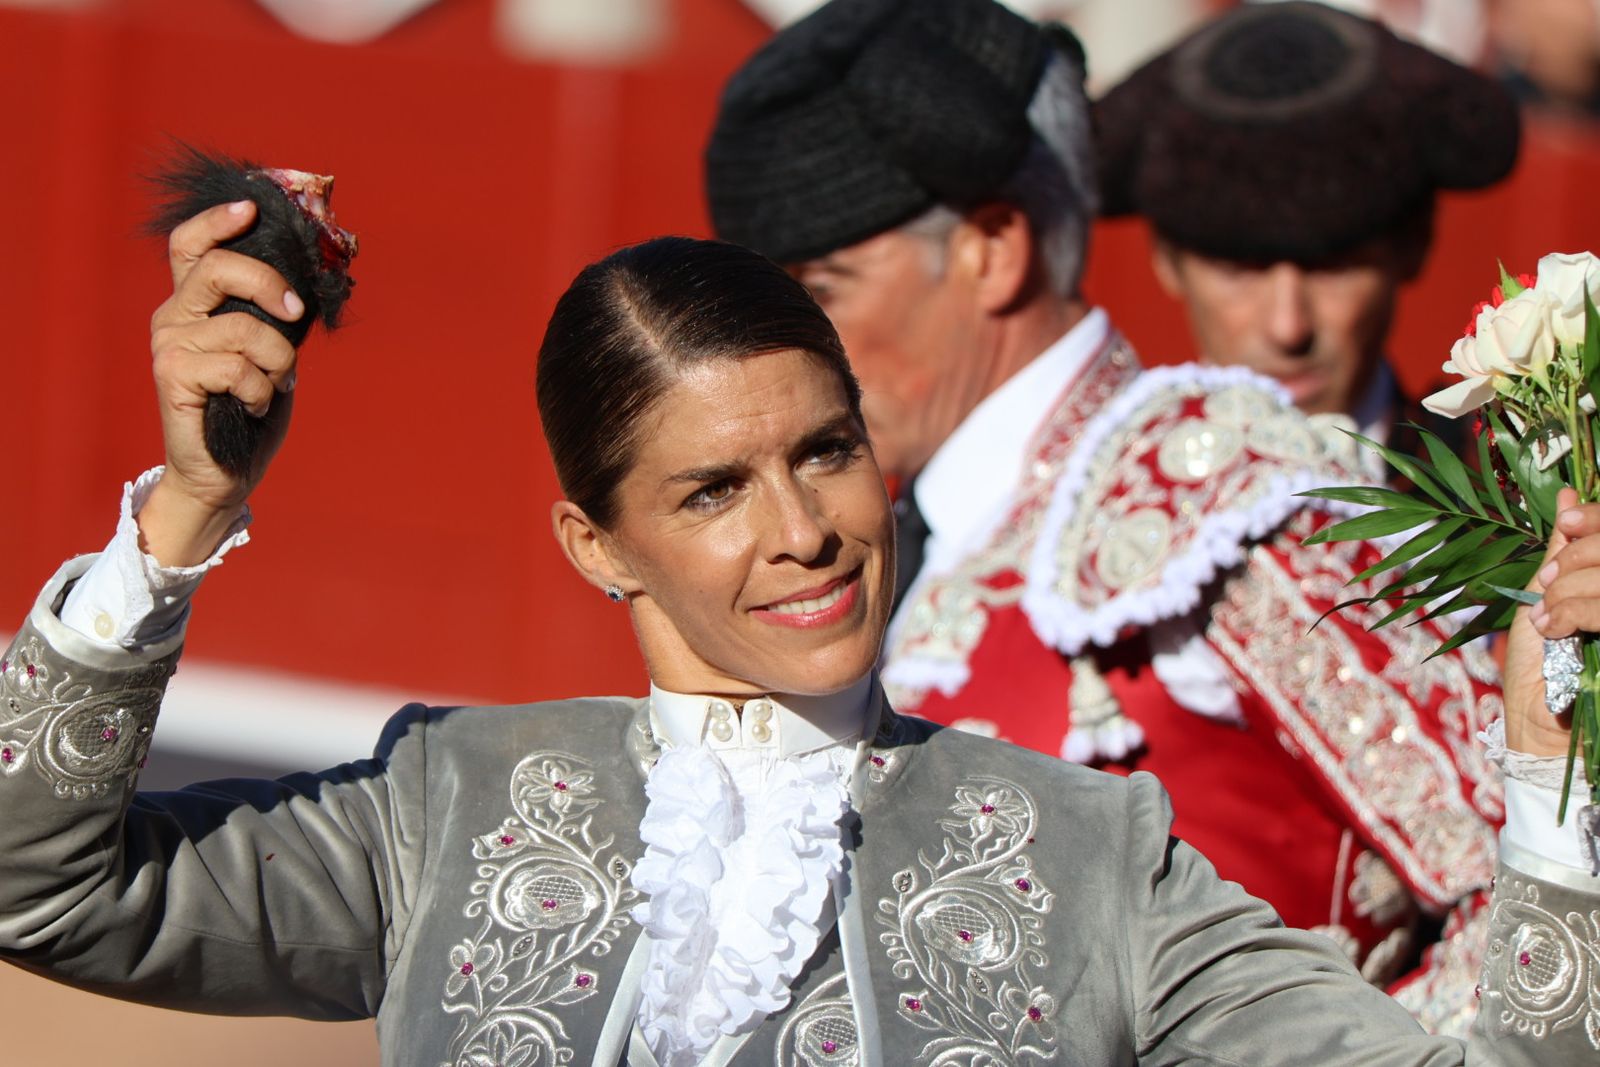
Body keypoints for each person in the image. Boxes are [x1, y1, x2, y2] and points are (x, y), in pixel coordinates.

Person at [0, 203, 1595, 1066]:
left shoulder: (1087, 851)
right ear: (597, 545)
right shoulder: (446, 806)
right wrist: (185, 513)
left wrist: (1549, 756)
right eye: (713, 489)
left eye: (825, 450)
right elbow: (38, 883)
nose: (805, 529)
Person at [702, 0, 1506, 1035]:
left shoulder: (1213, 488)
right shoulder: (892, 536)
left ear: (992, 248)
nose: (780, 359)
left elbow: (1548, 878)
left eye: (822, 289)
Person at [1094, 1, 1520, 441]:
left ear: (1414, 242)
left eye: (1334, 265)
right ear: (1166, 259)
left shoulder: (1525, 490)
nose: (1289, 326)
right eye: (1240, 270)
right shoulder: (1089, 498)